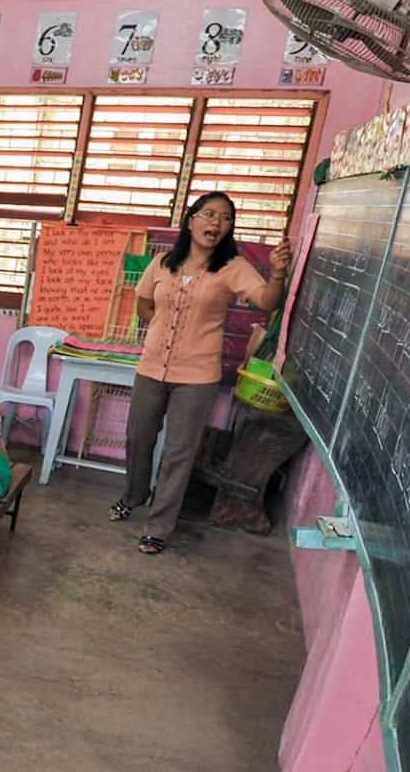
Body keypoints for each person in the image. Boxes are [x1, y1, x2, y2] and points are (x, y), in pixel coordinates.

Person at [117, 192, 292, 555]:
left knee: (179, 452)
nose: (215, 223)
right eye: (208, 214)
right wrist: (156, 328)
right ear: (190, 219)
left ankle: (158, 527)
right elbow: (144, 300)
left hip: (197, 376)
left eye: (225, 218)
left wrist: (277, 274)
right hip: (151, 367)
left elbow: (266, 301)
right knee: (138, 437)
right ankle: (135, 494)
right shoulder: (163, 262)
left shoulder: (233, 268)